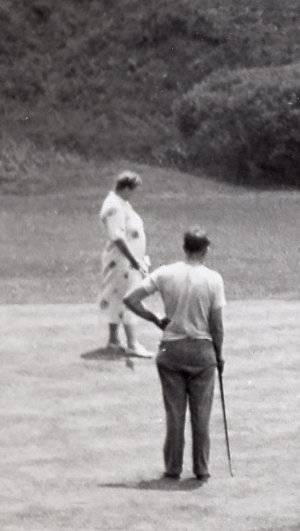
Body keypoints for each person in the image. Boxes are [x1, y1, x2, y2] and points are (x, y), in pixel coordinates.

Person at [124, 228, 227, 481]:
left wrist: (155, 318)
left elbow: (131, 299)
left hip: (171, 349)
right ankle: (201, 469)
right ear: (205, 250)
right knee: (201, 415)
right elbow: (216, 324)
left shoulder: (165, 272)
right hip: (202, 351)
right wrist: (219, 354)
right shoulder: (214, 279)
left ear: (184, 247)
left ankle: (173, 468)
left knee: (175, 414)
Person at [97, 172, 155, 356]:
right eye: (133, 190)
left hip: (125, 259)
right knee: (130, 296)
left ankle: (114, 340)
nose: (134, 194)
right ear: (126, 188)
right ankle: (132, 343)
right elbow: (118, 237)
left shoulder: (121, 203)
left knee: (117, 295)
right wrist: (134, 260)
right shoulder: (114, 205)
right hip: (122, 261)